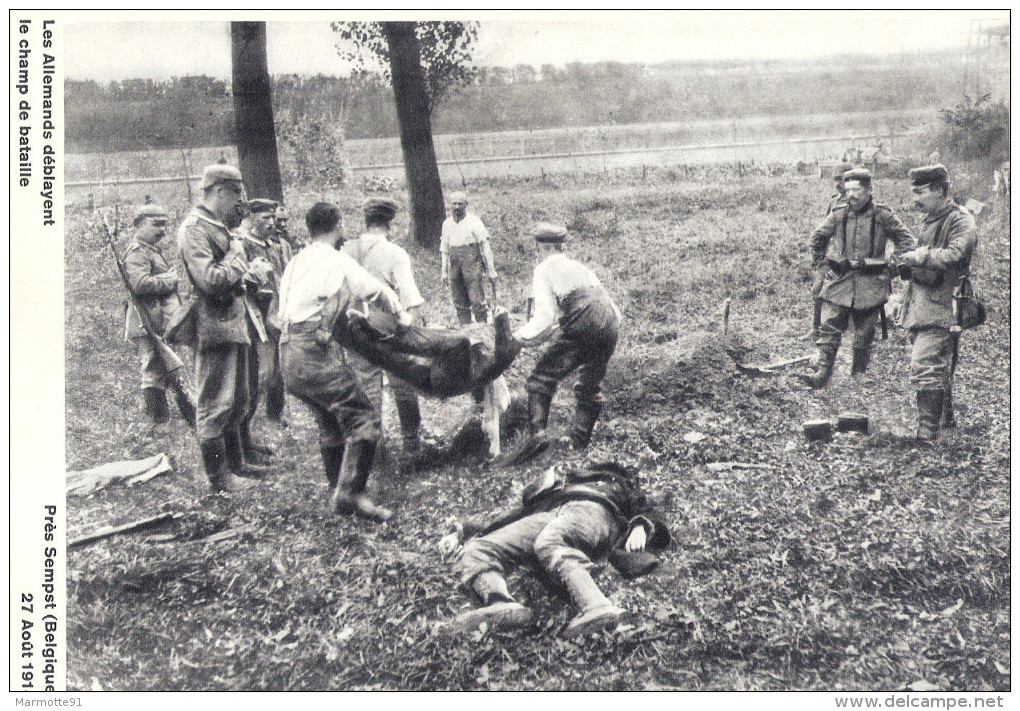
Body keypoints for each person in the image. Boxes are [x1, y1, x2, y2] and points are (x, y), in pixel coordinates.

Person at [276, 201, 409, 522]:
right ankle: (352, 494)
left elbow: (280, 312)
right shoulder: (336, 259)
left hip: (288, 351)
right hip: (312, 350)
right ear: (336, 225)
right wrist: (401, 318)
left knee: (329, 421)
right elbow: (375, 291)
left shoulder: (295, 261)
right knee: (363, 417)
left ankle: (337, 491)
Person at [438, 461, 671, 638]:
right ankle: (499, 603)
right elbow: (508, 518)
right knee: (481, 546)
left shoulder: (614, 482)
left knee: (549, 542)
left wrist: (641, 524)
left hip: (594, 511)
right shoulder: (555, 488)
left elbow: (646, 506)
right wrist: (462, 531)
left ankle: (596, 605)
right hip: (551, 514)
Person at [171, 164, 268, 493]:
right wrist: (239, 256)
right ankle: (219, 477)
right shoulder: (194, 228)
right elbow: (210, 280)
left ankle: (238, 463)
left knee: (238, 398)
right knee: (214, 402)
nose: (239, 202)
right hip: (213, 324)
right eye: (236, 193)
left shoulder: (217, 225)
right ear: (219, 191)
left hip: (233, 320)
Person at [799, 169, 915, 388]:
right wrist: (823, 265)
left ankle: (858, 373)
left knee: (865, 331)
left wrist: (891, 268)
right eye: (848, 189)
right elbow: (817, 238)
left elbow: (907, 242)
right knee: (830, 324)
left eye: (856, 189)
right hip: (840, 280)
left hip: (871, 282)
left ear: (869, 190)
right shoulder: (839, 213)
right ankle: (823, 371)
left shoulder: (883, 216)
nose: (851, 194)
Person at [514, 223, 621, 452]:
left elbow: (545, 316)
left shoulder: (543, 269)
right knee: (590, 384)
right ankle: (578, 442)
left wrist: (519, 337)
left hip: (584, 321)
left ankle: (537, 440)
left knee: (541, 377)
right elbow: (600, 303)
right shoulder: (579, 267)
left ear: (542, 248)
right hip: (611, 321)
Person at [342, 197, 428, 469]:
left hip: (355, 328)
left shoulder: (345, 250)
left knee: (367, 390)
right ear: (390, 223)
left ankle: (374, 453)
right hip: (387, 326)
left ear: (365, 221)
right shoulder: (394, 253)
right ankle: (412, 442)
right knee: (403, 383)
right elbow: (410, 297)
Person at [895, 164, 978, 442]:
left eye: (919, 192)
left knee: (926, 362)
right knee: (936, 363)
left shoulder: (960, 220)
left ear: (939, 190)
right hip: (922, 303)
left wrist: (921, 257)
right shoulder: (930, 219)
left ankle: (927, 433)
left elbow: (956, 255)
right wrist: (905, 266)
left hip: (945, 303)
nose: (914, 199)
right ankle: (945, 425)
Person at [122, 204, 189, 425]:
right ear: (139, 224)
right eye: (156, 224)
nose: (162, 230)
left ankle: (186, 415)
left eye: (164, 224)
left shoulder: (150, 250)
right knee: (153, 368)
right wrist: (170, 280)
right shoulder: (137, 253)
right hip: (147, 320)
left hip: (159, 319)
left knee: (168, 367)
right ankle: (158, 421)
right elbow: (140, 284)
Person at [241, 198, 288, 430]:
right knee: (263, 370)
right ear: (251, 218)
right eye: (265, 218)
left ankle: (274, 415)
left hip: (278, 313)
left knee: (278, 369)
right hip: (256, 316)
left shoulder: (278, 245)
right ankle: (246, 420)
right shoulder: (243, 245)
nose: (271, 223)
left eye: (272, 217)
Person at [803, 162, 855, 341]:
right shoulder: (834, 202)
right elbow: (822, 232)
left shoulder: (858, 201)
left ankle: (848, 328)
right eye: (835, 180)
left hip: (854, 257)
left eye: (841, 179)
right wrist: (819, 258)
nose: (837, 184)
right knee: (817, 290)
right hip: (834, 255)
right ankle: (815, 328)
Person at [440, 191, 498, 325]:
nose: (457, 207)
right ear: (450, 205)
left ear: (466, 204)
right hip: (455, 265)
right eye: (454, 203)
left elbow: (485, 245)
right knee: (459, 299)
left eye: (460, 204)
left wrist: (491, 269)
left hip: (472, 262)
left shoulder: (474, 222)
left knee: (476, 298)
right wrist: (443, 271)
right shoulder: (447, 224)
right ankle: (465, 330)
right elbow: (444, 248)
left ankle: (482, 328)